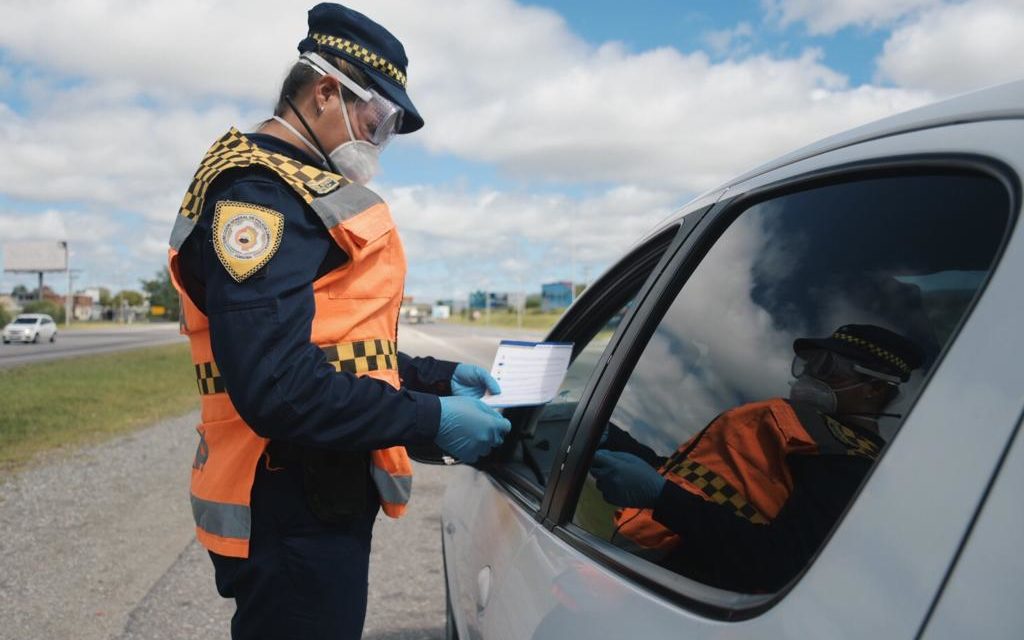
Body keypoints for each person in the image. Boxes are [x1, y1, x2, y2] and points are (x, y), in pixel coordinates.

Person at [166, 4, 510, 638]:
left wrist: (433, 379)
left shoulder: (296, 188)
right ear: (326, 91)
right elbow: (280, 386)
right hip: (291, 500)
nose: (378, 142)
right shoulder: (259, 193)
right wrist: (429, 421)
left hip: (309, 494)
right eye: (377, 121)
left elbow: (326, 347)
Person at [590, 324, 924, 592]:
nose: (808, 375)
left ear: (874, 389)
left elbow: (777, 564)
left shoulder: (848, 462)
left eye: (827, 367)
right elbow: (696, 479)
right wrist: (613, 441)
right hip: (641, 575)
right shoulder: (805, 429)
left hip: (685, 600)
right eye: (809, 363)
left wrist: (662, 497)